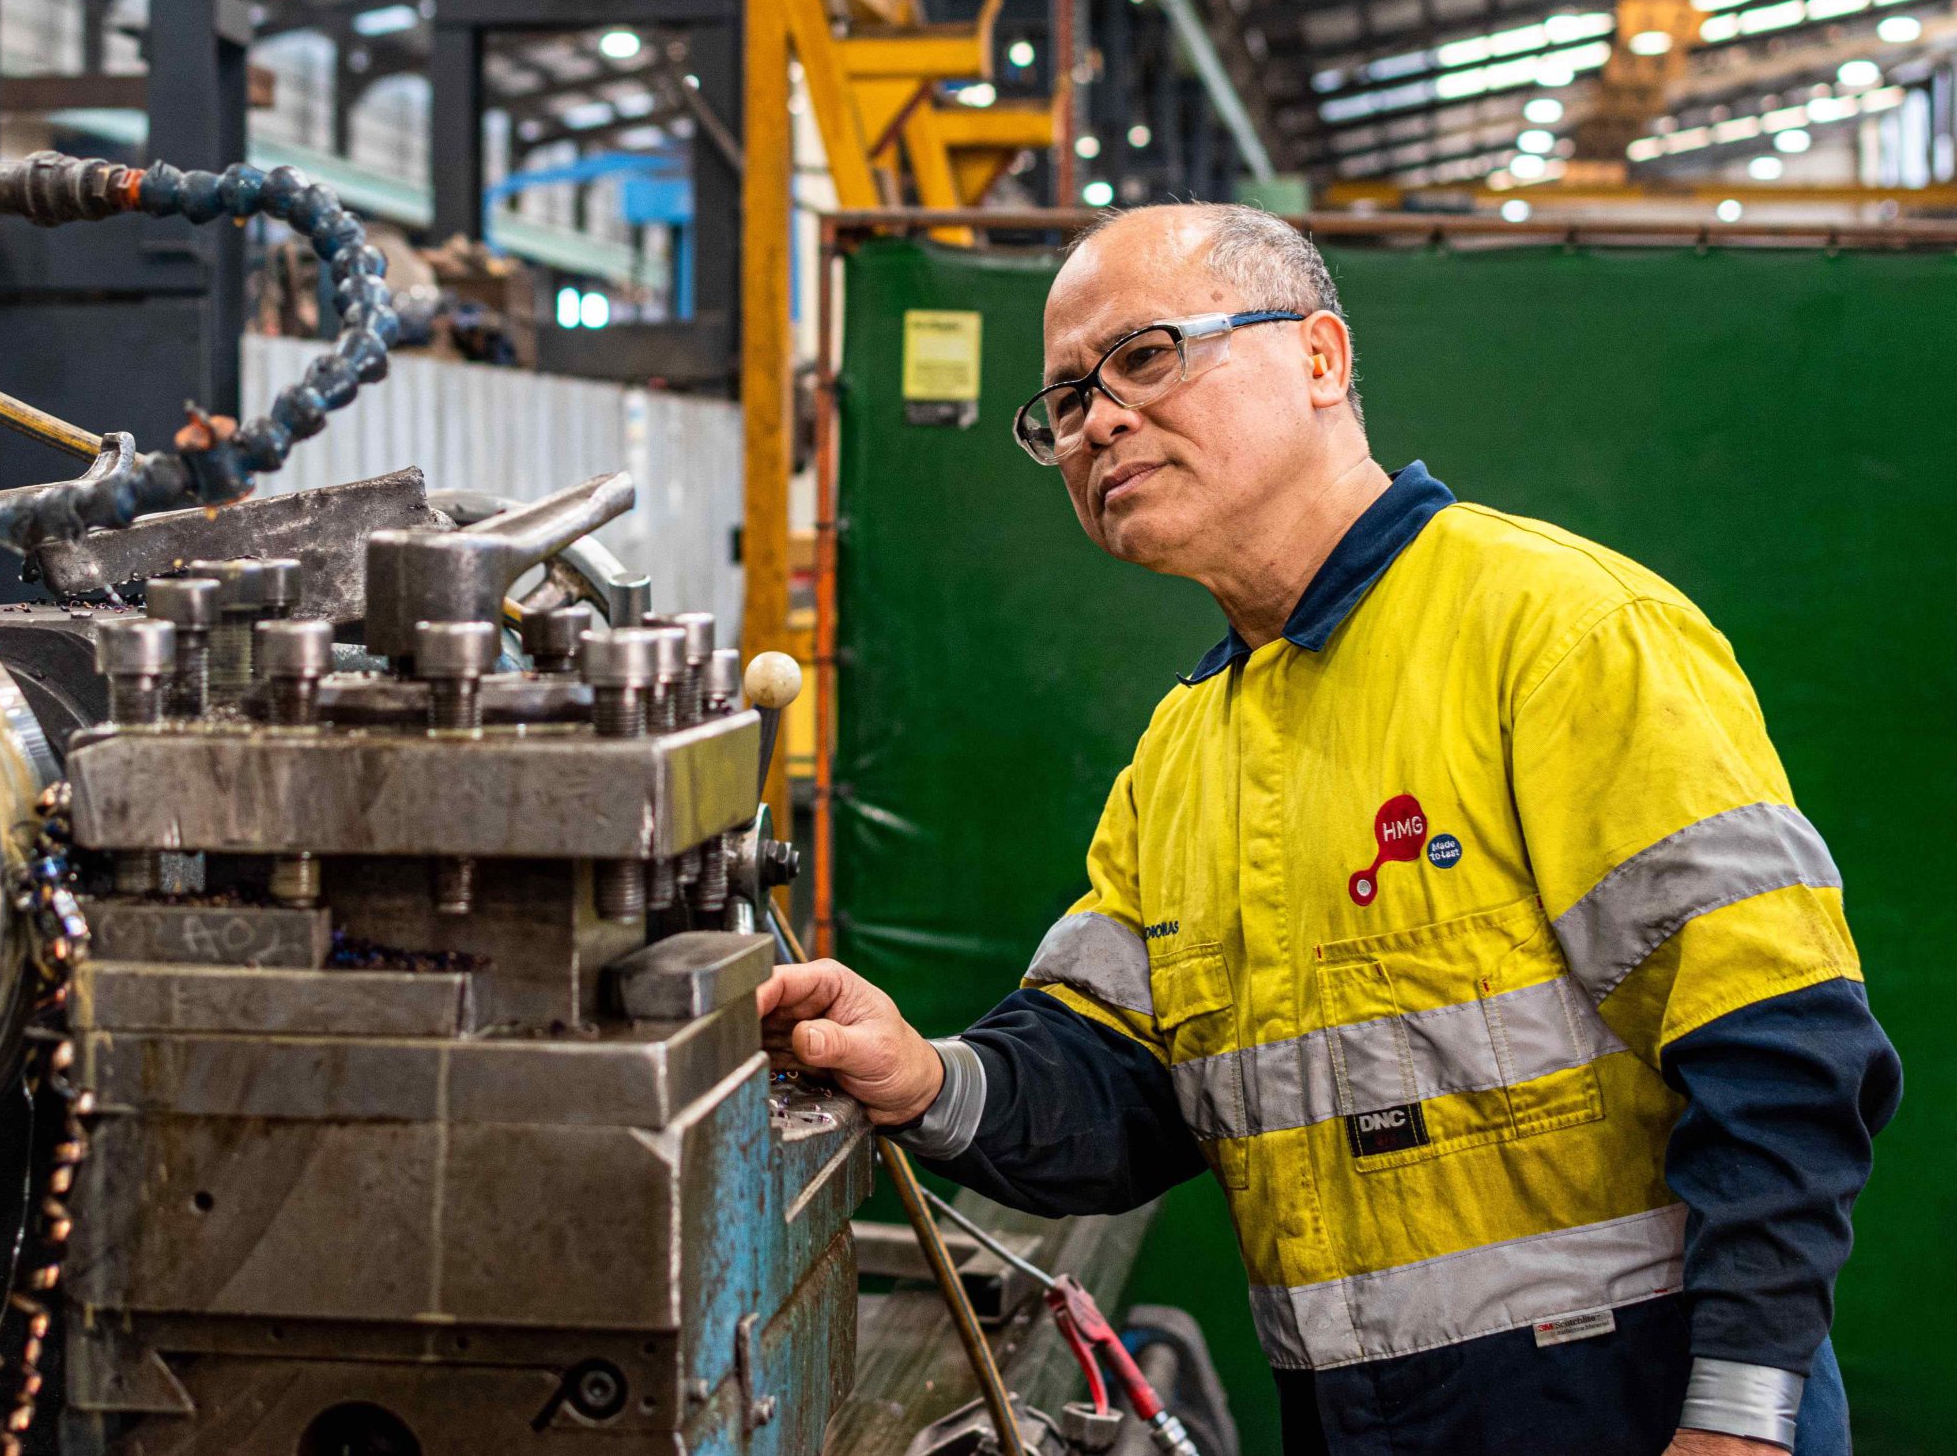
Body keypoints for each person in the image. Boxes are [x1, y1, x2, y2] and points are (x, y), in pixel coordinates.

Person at [757, 203, 1900, 1456]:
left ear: (1319, 358)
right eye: (1067, 402)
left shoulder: (1559, 633)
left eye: (1144, 357)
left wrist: (1740, 1420)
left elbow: (1781, 1051)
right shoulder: (1185, 752)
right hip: (1353, 1418)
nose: (1099, 422)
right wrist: (920, 1074)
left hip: (1631, 1405)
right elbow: (1115, 1083)